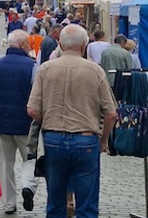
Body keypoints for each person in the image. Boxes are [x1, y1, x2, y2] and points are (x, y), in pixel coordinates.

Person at [27, 25, 117, 217]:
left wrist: (49, 120)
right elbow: (111, 113)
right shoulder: (95, 71)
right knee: (87, 204)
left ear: (60, 44)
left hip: (53, 138)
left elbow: (32, 109)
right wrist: (103, 140)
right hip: (86, 139)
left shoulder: (45, 69)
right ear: (84, 45)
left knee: (55, 203)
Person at [0, 30, 38, 215]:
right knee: (30, 160)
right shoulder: (32, 65)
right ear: (22, 45)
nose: (30, 47)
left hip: (2, 123)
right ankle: (27, 187)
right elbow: (37, 95)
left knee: (5, 166)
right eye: (28, 44)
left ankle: (8, 204)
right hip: (26, 124)